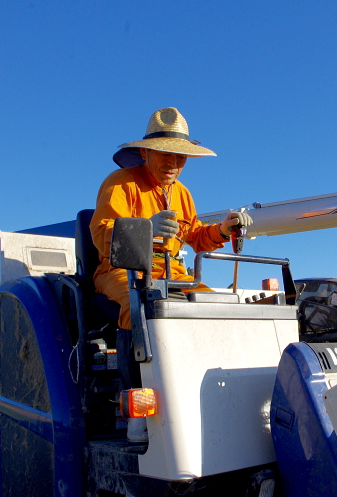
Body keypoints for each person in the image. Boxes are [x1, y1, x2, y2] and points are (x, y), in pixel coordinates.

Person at [90, 107, 251, 330]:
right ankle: (137, 364)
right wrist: (145, 230)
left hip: (173, 272)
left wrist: (223, 229)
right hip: (121, 271)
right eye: (166, 154)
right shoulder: (120, 182)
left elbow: (194, 234)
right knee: (141, 305)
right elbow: (100, 231)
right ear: (145, 153)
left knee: (218, 306)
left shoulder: (183, 193)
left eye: (180, 156)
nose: (173, 164)